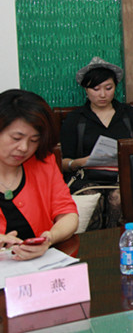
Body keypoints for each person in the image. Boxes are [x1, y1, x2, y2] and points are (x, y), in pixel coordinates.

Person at [60, 57, 133, 229]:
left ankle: (117, 240)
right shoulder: (75, 119)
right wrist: (80, 162)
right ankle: (91, 243)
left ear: (115, 87)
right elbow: (62, 162)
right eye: (96, 89)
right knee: (91, 198)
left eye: (108, 88)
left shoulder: (128, 114)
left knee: (118, 197)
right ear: (86, 89)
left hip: (121, 176)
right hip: (86, 177)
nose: (102, 95)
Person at [0, 89, 78, 261]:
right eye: (16, 138)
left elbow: (68, 214)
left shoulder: (43, 163)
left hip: (38, 267)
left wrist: (50, 238)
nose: (24, 148)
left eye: (34, 140)